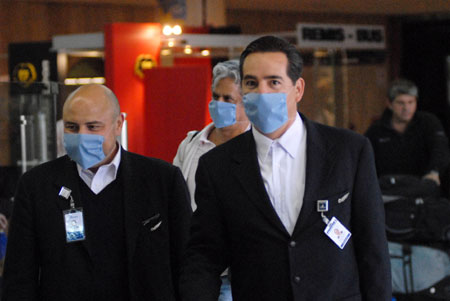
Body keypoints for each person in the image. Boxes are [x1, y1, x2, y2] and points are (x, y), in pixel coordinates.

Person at [180, 36, 391, 300]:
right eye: (251, 83)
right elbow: (205, 253)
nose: (262, 93)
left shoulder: (349, 150)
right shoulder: (217, 165)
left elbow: (372, 247)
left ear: (298, 89)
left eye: (274, 82)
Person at [2, 84, 191, 301]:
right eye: (72, 127)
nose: (82, 136)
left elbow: (187, 263)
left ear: (118, 124)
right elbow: (18, 277)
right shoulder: (36, 186)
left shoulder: (163, 180)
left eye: (93, 127)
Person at [173, 60, 249, 301]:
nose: (219, 104)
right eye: (215, 97)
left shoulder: (256, 149)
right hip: (197, 265)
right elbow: (175, 198)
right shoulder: (192, 144)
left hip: (239, 270)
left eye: (228, 99)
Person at [365, 79, 450, 186]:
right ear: (389, 104)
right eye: (400, 103)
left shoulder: (429, 122)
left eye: (411, 102)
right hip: (388, 187)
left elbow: (440, 149)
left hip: (423, 185)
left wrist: (434, 172)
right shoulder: (376, 130)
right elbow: (366, 159)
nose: (406, 108)